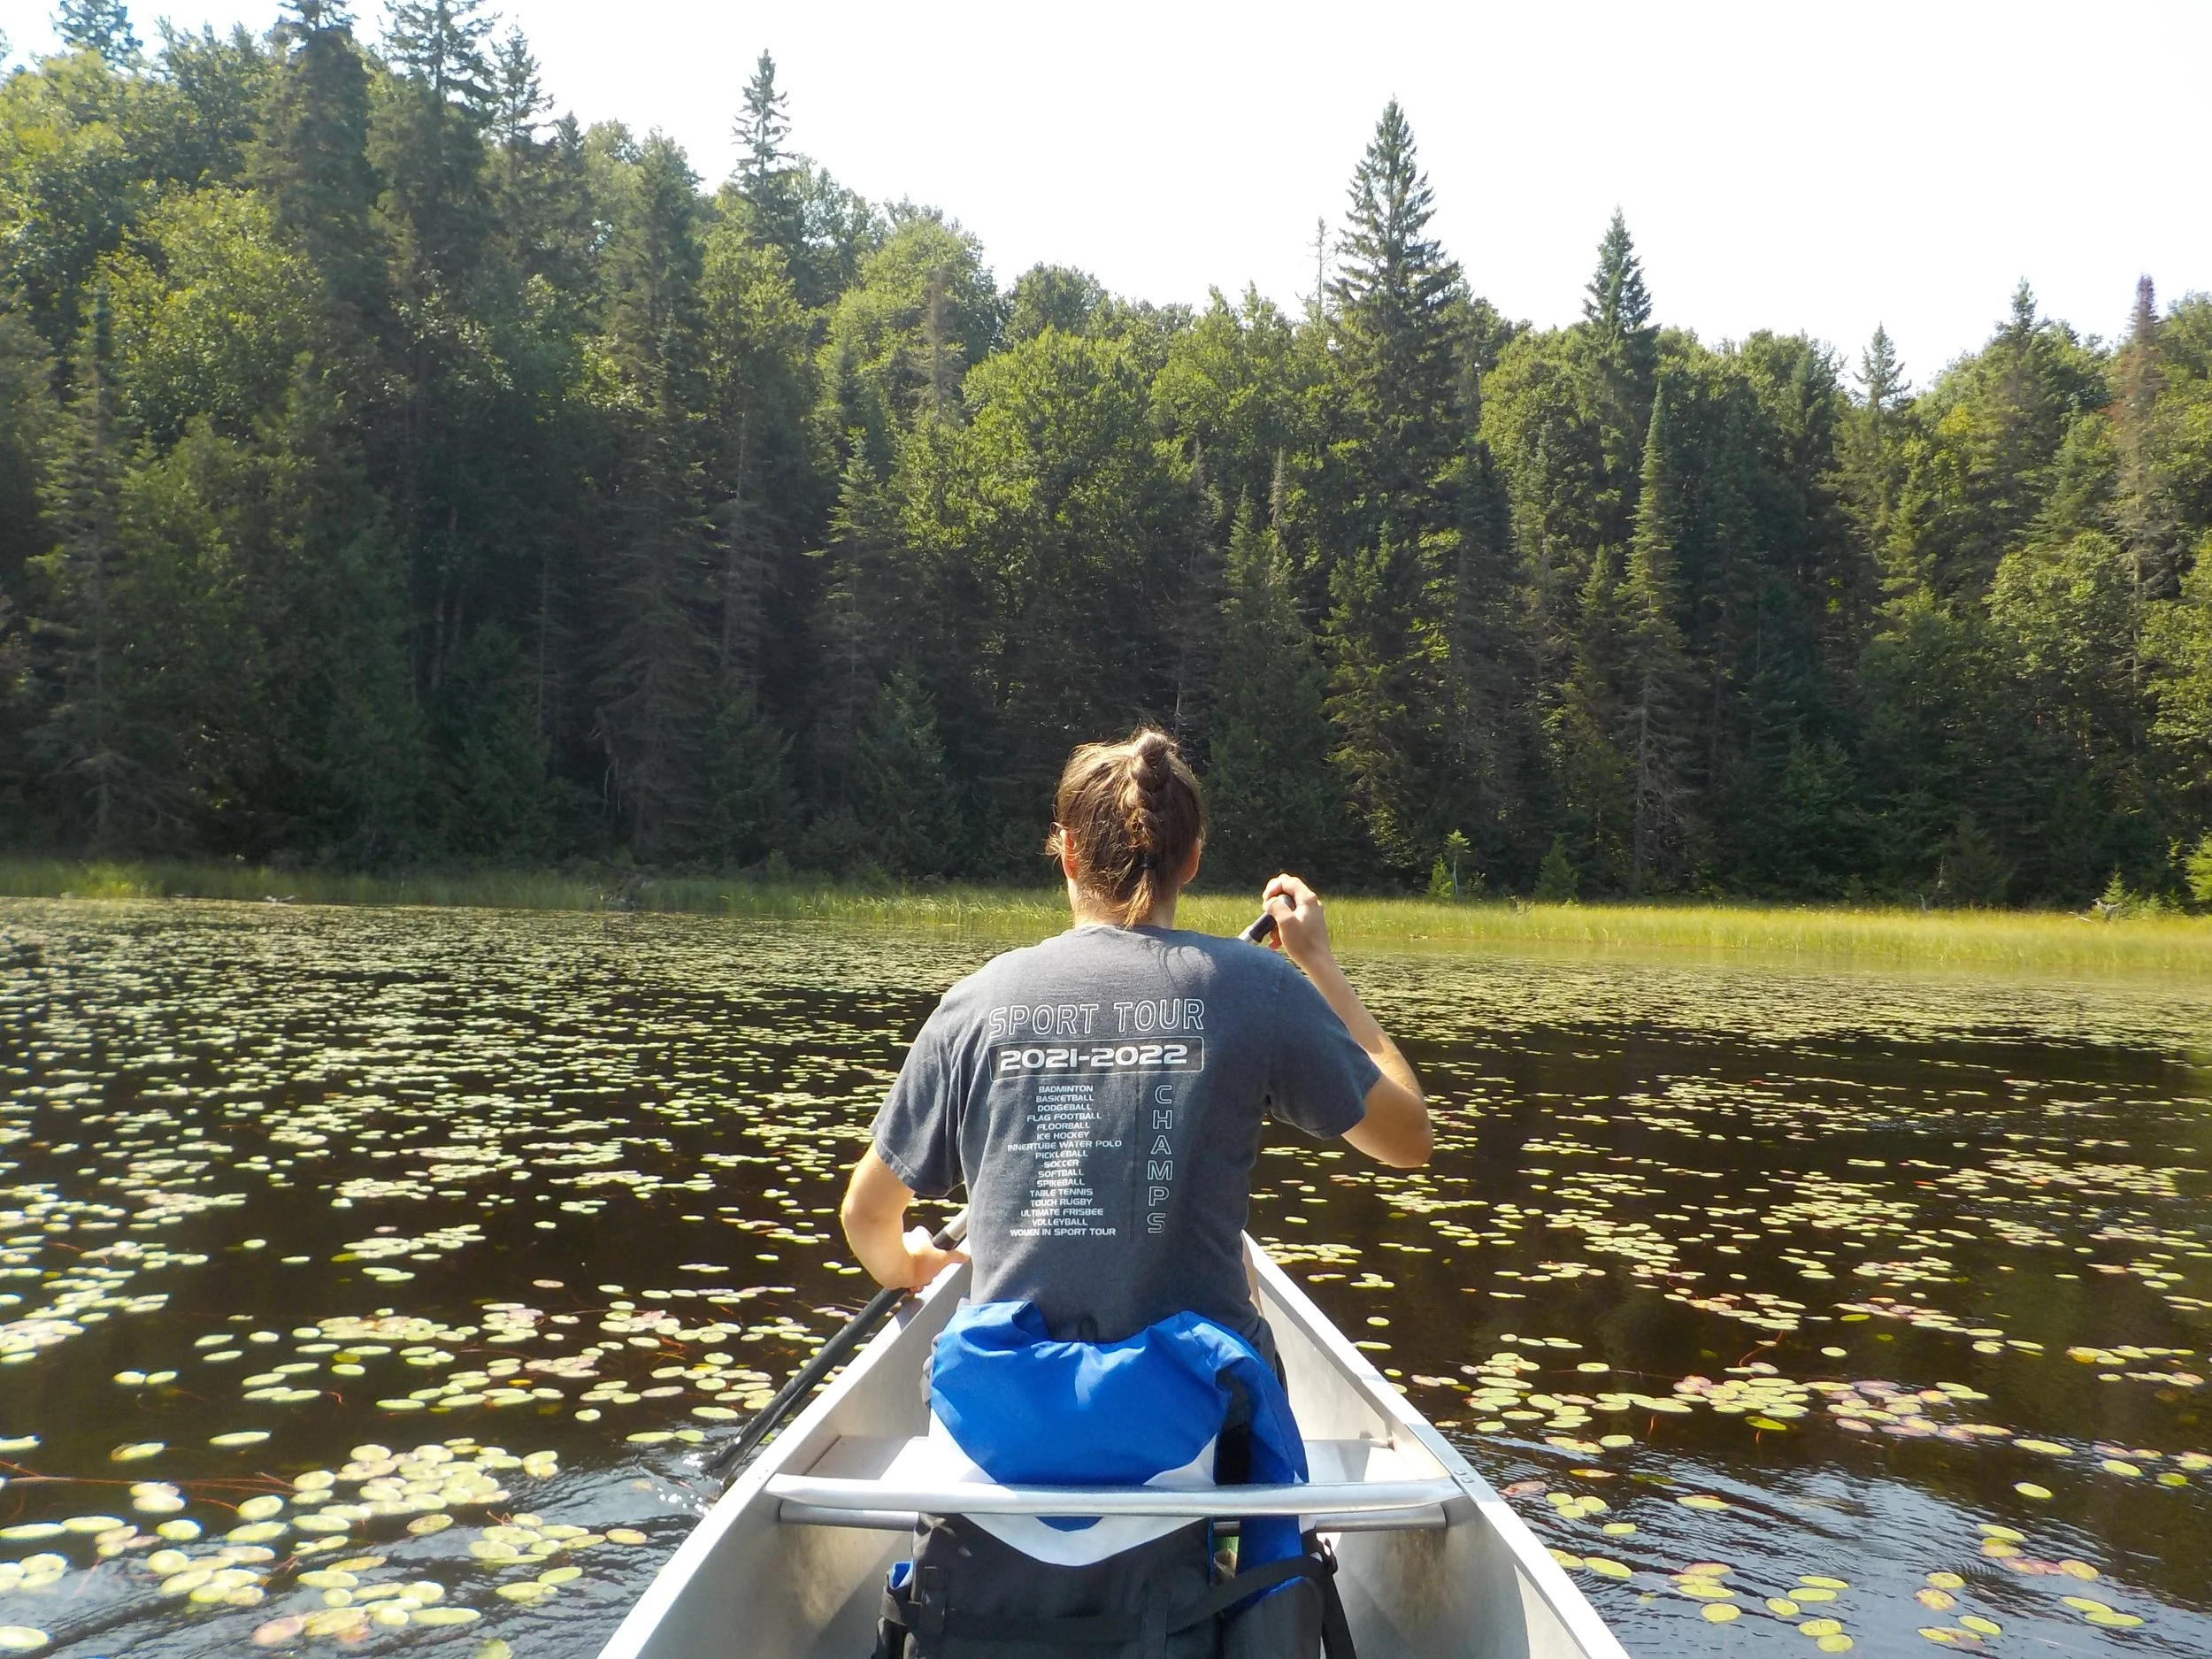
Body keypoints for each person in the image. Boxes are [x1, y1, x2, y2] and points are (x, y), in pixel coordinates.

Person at [840, 725, 1429, 1348]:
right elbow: (1408, 1139)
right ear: (1193, 858)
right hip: (1188, 1409)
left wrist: (908, 1264)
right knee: (1244, 1280)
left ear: (1067, 852)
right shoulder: (1259, 986)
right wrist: (1320, 965)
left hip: (1015, 1423)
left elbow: (866, 1214)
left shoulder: (974, 1003)